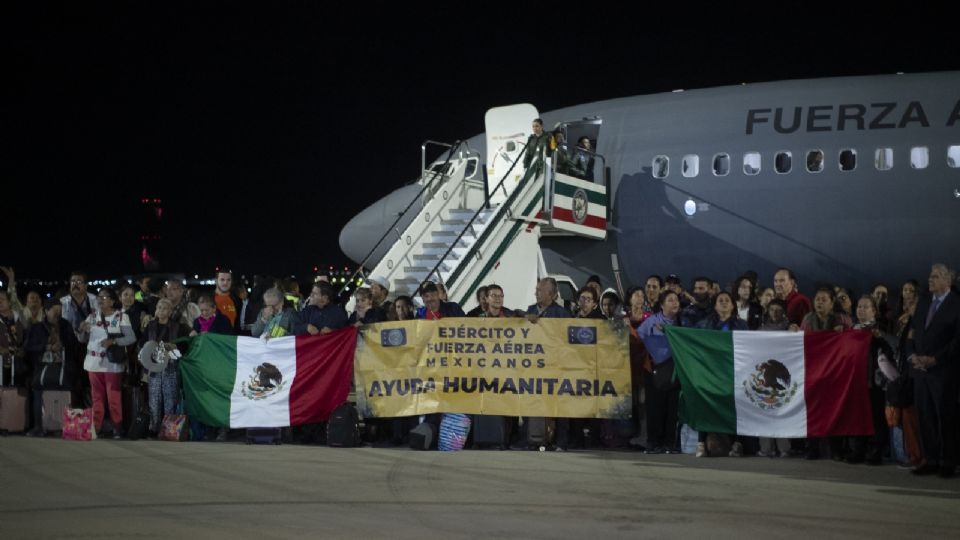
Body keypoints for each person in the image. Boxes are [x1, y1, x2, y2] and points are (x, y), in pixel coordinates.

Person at [906, 264, 960, 478]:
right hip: (921, 370)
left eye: (935, 276)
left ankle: (948, 461)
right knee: (925, 415)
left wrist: (935, 359)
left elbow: (957, 340)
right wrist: (913, 357)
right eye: (930, 276)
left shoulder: (957, 304)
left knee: (945, 416)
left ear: (948, 281)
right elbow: (913, 332)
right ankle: (931, 459)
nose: (930, 280)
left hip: (944, 371)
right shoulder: (924, 302)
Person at [799, 285, 852, 460]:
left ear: (832, 303)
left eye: (824, 299)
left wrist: (842, 335)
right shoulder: (807, 319)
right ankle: (812, 448)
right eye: (817, 299)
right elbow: (800, 344)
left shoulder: (842, 320)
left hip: (835, 373)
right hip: (812, 372)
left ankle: (836, 449)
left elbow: (851, 341)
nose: (819, 302)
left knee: (834, 411)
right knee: (813, 410)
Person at [695, 291, 749, 457]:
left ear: (733, 305)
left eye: (727, 300)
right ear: (715, 305)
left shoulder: (742, 325)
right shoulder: (704, 324)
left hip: (734, 371)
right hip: (711, 372)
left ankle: (737, 443)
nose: (724, 303)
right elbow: (693, 341)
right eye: (720, 300)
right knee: (705, 404)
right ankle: (701, 443)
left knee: (736, 407)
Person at [78, 287, 135, 439]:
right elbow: (82, 339)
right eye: (99, 298)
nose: (100, 300)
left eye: (104, 298)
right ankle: (96, 426)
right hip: (93, 362)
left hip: (112, 363)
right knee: (96, 397)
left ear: (112, 300)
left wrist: (114, 341)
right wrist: (81, 330)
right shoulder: (92, 316)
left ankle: (117, 426)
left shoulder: (121, 317)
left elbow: (131, 338)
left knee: (113, 397)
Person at [525, 278, 572, 450]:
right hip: (535, 367)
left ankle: (561, 441)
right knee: (535, 405)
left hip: (556, 367)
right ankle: (535, 440)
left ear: (551, 294)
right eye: (536, 290)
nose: (536, 293)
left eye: (540, 290)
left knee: (559, 407)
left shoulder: (561, 314)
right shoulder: (530, 310)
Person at [848, 295, 894, 465]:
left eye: (865, 307)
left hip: (874, 381)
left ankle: (875, 451)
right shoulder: (851, 330)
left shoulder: (881, 329)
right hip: (855, 381)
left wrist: (878, 337)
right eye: (859, 306)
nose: (861, 310)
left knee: (876, 417)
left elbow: (890, 351)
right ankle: (857, 450)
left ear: (874, 311)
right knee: (856, 416)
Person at [25, 299, 80, 435]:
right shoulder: (36, 327)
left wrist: (63, 344)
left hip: (63, 367)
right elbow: (28, 347)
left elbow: (74, 345)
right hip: (42, 367)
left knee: (65, 394)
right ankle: (38, 426)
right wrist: (46, 347)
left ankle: (61, 425)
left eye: (60, 311)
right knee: (37, 392)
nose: (57, 314)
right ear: (46, 311)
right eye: (54, 311)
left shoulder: (66, 325)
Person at [638, 290, 682, 454]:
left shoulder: (681, 322)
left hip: (675, 370)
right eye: (670, 300)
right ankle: (653, 442)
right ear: (662, 305)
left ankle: (669, 443)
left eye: (676, 300)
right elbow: (639, 338)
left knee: (672, 408)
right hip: (656, 370)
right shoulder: (652, 321)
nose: (674, 303)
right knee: (655, 408)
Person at [141, 298, 192, 438]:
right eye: (159, 307)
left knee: (171, 399)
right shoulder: (150, 325)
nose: (161, 310)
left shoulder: (179, 327)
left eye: (164, 308)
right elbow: (143, 345)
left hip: (171, 366)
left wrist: (174, 347)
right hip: (154, 367)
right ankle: (153, 429)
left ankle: (169, 430)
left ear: (170, 311)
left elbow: (184, 347)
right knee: (154, 399)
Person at [60, 270, 97, 339]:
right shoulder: (62, 302)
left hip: (91, 339)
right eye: (73, 281)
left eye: (79, 282)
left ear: (86, 285)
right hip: (70, 340)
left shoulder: (95, 300)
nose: (75, 284)